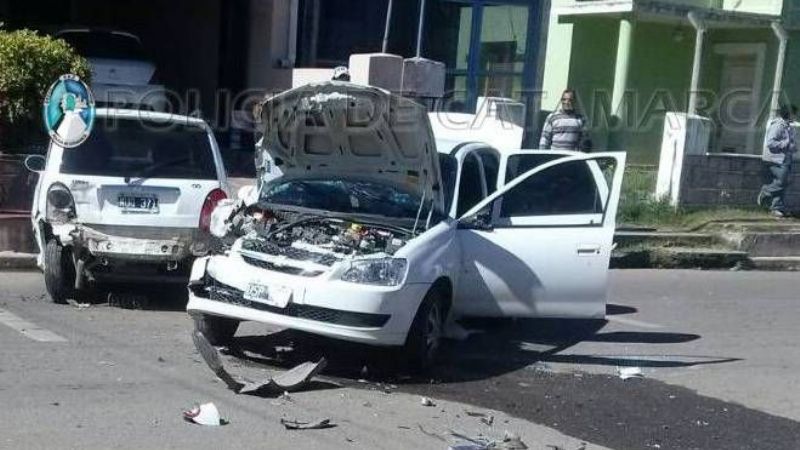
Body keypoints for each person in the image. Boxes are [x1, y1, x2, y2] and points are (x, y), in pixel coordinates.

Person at [758, 104, 796, 218]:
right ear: (788, 113)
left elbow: (790, 142)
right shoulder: (778, 125)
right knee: (781, 182)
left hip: (785, 158)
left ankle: (777, 208)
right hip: (776, 159)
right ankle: (765, 192)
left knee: (783, 183)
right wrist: (785, 144)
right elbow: (770, 142)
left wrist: (794, 146)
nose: (796, 116)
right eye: (794, 113)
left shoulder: (788, 126)